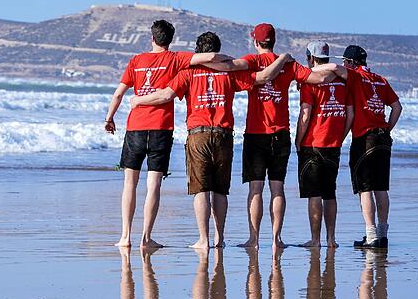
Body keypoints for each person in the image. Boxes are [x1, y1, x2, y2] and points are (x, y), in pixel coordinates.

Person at [130, 31, 293, 250]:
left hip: (198, 134)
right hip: (223, 135)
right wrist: (283, 59)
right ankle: (219, 237)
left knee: (201, 190)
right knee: (220, 189)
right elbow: (261, 78)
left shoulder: (189, 72)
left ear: (198, 51)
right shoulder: (229, 73)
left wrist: (138, 100)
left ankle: (203, 239)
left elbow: (166, 95)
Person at [199, 24, 342, 250]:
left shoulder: (252, 60)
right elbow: (318, 78)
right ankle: (276, 239)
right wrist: (338, 69)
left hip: (256, 134)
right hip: (281, 134)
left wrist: (197, 62)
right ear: (274, 42)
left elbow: (228, 66)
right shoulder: (289, 65)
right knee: (277, 189)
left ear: (256, 42)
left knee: (255, 189)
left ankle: (254, 239)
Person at [105, 20, 231, 249]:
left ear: (152, 38)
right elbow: (211, 57)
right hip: (161, 128)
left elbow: (119, 94)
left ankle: (125, 237)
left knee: (129, 183)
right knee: (153, 185)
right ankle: (146, 238)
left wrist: (109, 118)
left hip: (135, 127)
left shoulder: (136, 61)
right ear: (170, 40)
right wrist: (231, 62)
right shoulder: (176, 59)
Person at [318, 45, 402, 248]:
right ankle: (382, 235)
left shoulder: (355, 76)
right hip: (383, 138)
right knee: (381, 188)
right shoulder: (380, 80)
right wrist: (387, 129)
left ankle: (371, 235)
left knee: (365, 189)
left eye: (345, 62)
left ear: (351, 63)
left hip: (365, 139)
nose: (343, 64)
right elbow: (397, 107)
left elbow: (334, 68)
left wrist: (310, 70)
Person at [294, 41, 354, 248]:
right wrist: (340, 137)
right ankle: (331, 239)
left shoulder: (310, 81)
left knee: (314, 194)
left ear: (311, 58)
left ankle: (315, 239)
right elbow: (350, 114)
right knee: (330, 193)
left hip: (312, 143)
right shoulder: (343, 81)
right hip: (333, 144)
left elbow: (305, 114)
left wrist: (298, 140)